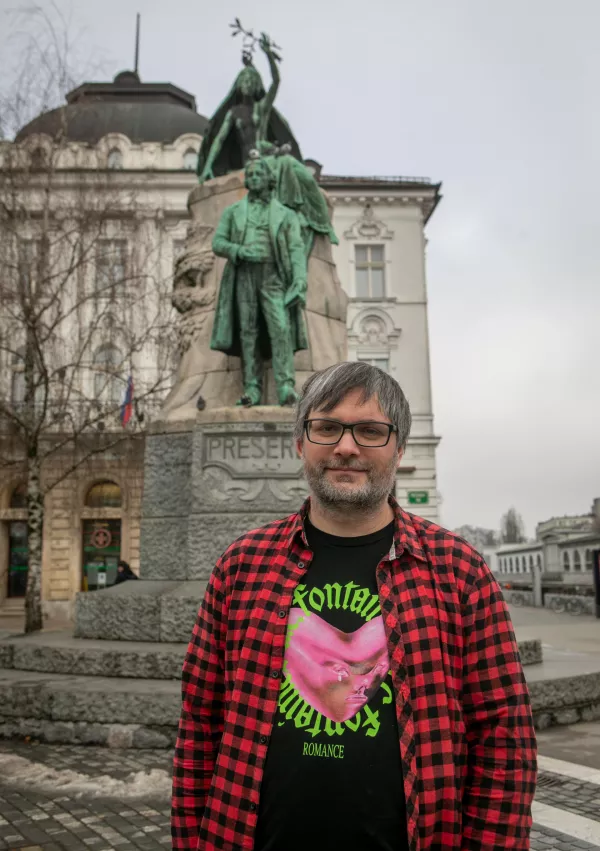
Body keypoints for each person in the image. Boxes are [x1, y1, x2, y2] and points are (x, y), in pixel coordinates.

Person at [171, 362, 538, 851]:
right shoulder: (241, 566)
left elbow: (504, 737)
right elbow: (200, 723)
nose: (346, 447)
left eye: (370, 431)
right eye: (326, 427)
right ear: (301, 443)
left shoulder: (459, 571)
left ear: (399, 448)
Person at [210, 155, 308, 407]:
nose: (253, 179)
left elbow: (297, 249)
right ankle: (252, 388)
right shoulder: (233, 212)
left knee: (281, 328)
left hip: (273, 276)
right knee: (248, 332)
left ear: (268, 179)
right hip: (244, 275)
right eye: (250, 175)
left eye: (258, 174)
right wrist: (239, 251)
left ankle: (286, 385)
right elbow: (217, 243)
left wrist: (299, 280)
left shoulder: (285, 214)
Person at [196, 34, 302, 184]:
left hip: (267, 156)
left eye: (251, 81)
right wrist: (208, 166)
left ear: (256, 85)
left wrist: (268, 55)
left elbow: (276, 81)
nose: (247, 83)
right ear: (238, 85)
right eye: (244, 80)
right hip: (248, 162)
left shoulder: (262, 108)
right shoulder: (233, 113)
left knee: (290, 167)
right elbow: (219, 140)